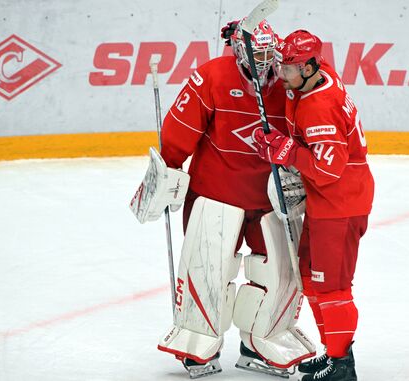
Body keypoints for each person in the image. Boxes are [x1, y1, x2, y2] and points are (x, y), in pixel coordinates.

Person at [131, 20, 315, 379]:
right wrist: (167, 172)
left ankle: (264, 337)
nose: (265, 64)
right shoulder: (211, 77)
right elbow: (178, 134)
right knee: (208, 269)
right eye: (256, 54)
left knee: (279, 272)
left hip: (271, 199)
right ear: (240, 53)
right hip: (216, 194)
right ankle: (199, 340)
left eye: (269, 54)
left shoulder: (291, 85)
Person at [253, 30, 375, 381]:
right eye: (282, 64)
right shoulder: (315, 80)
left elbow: (328, 168)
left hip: (341, 205)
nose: (282, 73)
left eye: (289, 68)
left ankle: (342, 367)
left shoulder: (320, 109)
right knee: (310, 278)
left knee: (332, 288)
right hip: (325, 205)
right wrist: (279, 143)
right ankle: (334, 353)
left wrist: (286, 151)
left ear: (309, 68)